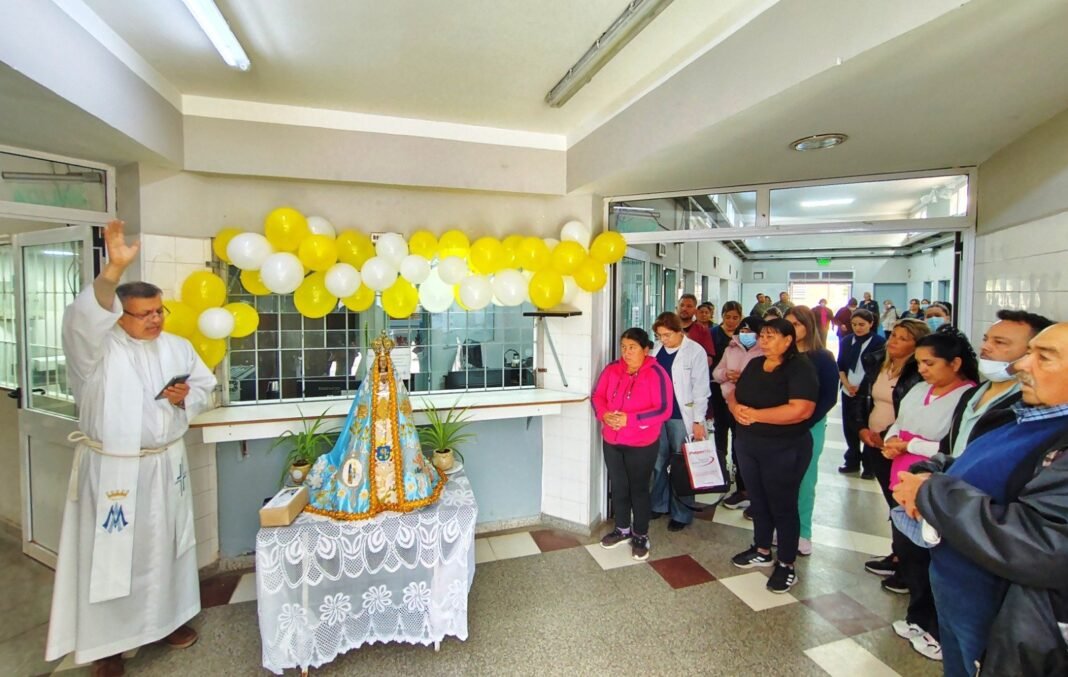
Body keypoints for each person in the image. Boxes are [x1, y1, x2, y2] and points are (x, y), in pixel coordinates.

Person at [46, 221, 218, 676]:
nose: (155, 320)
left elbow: (205, 386)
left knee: (166, 548)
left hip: (165, 465)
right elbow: (83, 317)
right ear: (118, 317)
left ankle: (165, 622)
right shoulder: (96, 351)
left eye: (159, 311)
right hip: (115, 471)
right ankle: (108, 645)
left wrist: (185, 398)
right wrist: (112, 272)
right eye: (144, 314)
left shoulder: (177, 346)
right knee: (114, 557)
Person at [893, 323, 1068, 676]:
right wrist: (929, 470)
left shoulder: (1058, 443)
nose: (1021, 365)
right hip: (956, 589)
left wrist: (930, 493)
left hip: (1001, 612)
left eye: (1044, 357)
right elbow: (969, 461)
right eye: (1029, 352)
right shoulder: (1019, 414)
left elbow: (1044, 543)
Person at [880, 327, 979, 662]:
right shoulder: (920, 388)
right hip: (902, 473)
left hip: (933, 479)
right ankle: (917, 617)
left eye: (929, 363)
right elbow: (899, 421)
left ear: (955, 363)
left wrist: (909, 445)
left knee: (933, 556)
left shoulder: (967, 397)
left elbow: (952, 446)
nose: (922, 369)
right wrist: (892, 440)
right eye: (920, 363)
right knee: (909, 550)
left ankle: (937, 630)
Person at [305, 332, 445, 519]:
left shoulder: (395, 383)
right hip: (374, 430)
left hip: (392, 428)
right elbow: (363, 407)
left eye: (385, 363)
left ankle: (402, 489)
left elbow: (402, 407)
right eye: (380, 364)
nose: (383, 367)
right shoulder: (370, 385)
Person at [727, 318, 819, 593]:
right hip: (749, 444)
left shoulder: (800, 367)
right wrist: (735, 408)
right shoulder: (755, 363)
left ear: (788, 340)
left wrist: (756, 415)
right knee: (758, 500)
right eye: (762, 336)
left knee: (783, 504)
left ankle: (787, 563)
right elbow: (734, 394)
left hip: (785, 448)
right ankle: (762, 549)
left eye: (771, 336)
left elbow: (801, 410)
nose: (763, 341)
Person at [854, 319, 930, 591]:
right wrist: (862, 428)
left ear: (917, 344)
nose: (893, 341)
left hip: (898, 445)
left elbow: (911, 413)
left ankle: (908, 567)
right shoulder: (879, 363)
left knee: (903, 503)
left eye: (902, 338)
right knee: (892, 501)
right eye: (893, 335)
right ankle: (898, 553)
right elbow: (863, 397)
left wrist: (886, 435)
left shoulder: (918, 372)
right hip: (874, 442)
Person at [591, 327, 673, 561]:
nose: (626, 352)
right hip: (612, 439)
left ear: (646, 350)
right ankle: (622, 529)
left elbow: (664, 409)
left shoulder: (656, 373)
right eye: (623, 347)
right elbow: (598, 396)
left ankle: (640, 534)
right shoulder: (612, 369)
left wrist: (631, 420)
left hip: (641, 442)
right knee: (619, 485)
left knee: (639, 488)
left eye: (632, 348)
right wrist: (604, 415)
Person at [941, 309, 1054, 457]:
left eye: (999, 342)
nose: (985, 347)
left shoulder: (1031, 404)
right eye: (985, 339)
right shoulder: (971, 394)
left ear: (1031, 351)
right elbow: (949, 446)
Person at [784, 307, 839, 556]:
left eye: (797, 324)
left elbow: (829, 396)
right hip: (780, 425)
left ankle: (803, 531)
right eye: (788, 324)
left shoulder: (822, 357)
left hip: (809, 426)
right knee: (780, 479)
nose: (792, 329)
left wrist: (804, 420)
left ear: (808, 327)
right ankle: (782, 527)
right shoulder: (781, 355)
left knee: (805, 479)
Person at [650, 312, 711, 532]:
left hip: (681, 416)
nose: (663, 339)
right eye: (659, 335)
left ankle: (681, 513)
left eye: (667, 335)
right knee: (658, 462)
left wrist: (698, 421)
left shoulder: (695, 351)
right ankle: (658, 504)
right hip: (659, 415)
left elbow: (701, 389)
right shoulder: (657, 350)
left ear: (679, 331)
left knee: (681, 466)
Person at [713, 315, 763, 510]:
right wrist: (726, 374)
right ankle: (741, 489)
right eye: (742, 331)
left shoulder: (764, 351)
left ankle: (751, 492)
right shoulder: (731, 348)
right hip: (729, 404)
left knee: (749, 451)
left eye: (749, 331)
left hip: (754, 408)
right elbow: (716, 373)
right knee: (737, 448)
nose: (745, 334)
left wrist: (745, 379)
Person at [836, 309, 886, 476]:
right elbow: (841, 364)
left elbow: (877, 368)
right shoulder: (846, 340)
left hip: (867, 391)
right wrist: (847, 384)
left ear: (871, 324)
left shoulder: (879, 342)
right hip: (848, 388)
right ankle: (852, 460)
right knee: (849, 426)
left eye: (862, 324)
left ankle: (869, 466)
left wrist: (861, 387)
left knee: (866, 426)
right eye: (854, 324)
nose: (858, 328)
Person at [710, 302, 743, 503]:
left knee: (738, 432)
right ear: (722, 316)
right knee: (720, 429)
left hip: (739, 392)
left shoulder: (744, 336)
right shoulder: (714, 333)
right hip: (717, 386)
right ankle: (720, 470)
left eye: (735, 318)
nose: (731, 321)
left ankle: (738, 471)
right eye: (727, 317)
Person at [677, 293, 715, 365]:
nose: (684, 308)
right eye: (682, 305)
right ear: (677, 308)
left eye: (689, 306)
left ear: (695, 310)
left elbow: (709, 358)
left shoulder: (703, 331)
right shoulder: (669, 328)